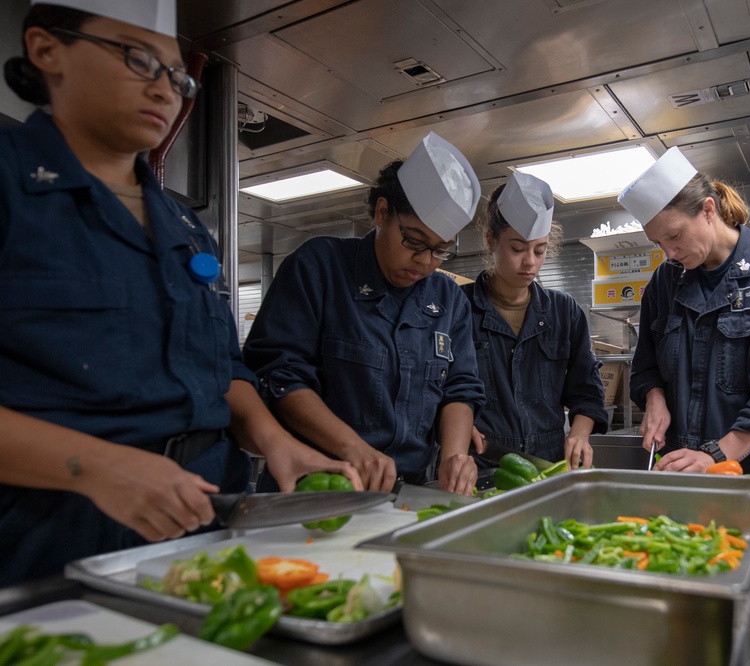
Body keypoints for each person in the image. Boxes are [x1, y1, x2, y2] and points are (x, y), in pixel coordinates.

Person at [0, 0, 361, 587]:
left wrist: (274, 442)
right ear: (46, 50)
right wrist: (95, 467)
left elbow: (221, 368)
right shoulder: (11, 186)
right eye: (139, 58)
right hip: (48, 539)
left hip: (201, 527)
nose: (167, 91)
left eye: (178, 76)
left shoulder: (183, 225)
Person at [243, 132, 486, 495]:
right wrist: (354, 448)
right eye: (414, 241)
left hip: (407, 494)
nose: (424, 261)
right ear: (382, 212)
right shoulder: (319, 267)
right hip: (313, 489)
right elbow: (281, 374)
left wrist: (453, 455)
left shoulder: (448, 298)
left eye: (440, 250)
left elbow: (459, 388)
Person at [619, 147, 750, 480]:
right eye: (658, 243)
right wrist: (654, 397)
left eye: (675, 236)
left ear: (709, 210)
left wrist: (718, 455)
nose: (670, 252)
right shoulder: (665, 282)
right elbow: (646, 368)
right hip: (686, 465)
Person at [463, 173, 607, 468]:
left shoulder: (564, 311)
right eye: (517, 249)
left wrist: (579, 434)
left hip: (549, 462)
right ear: (491, 241)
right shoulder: (458, 307)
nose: (530, 262)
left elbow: (587, 389)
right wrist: (453, 429)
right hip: (480, 461)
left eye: (539, 250)